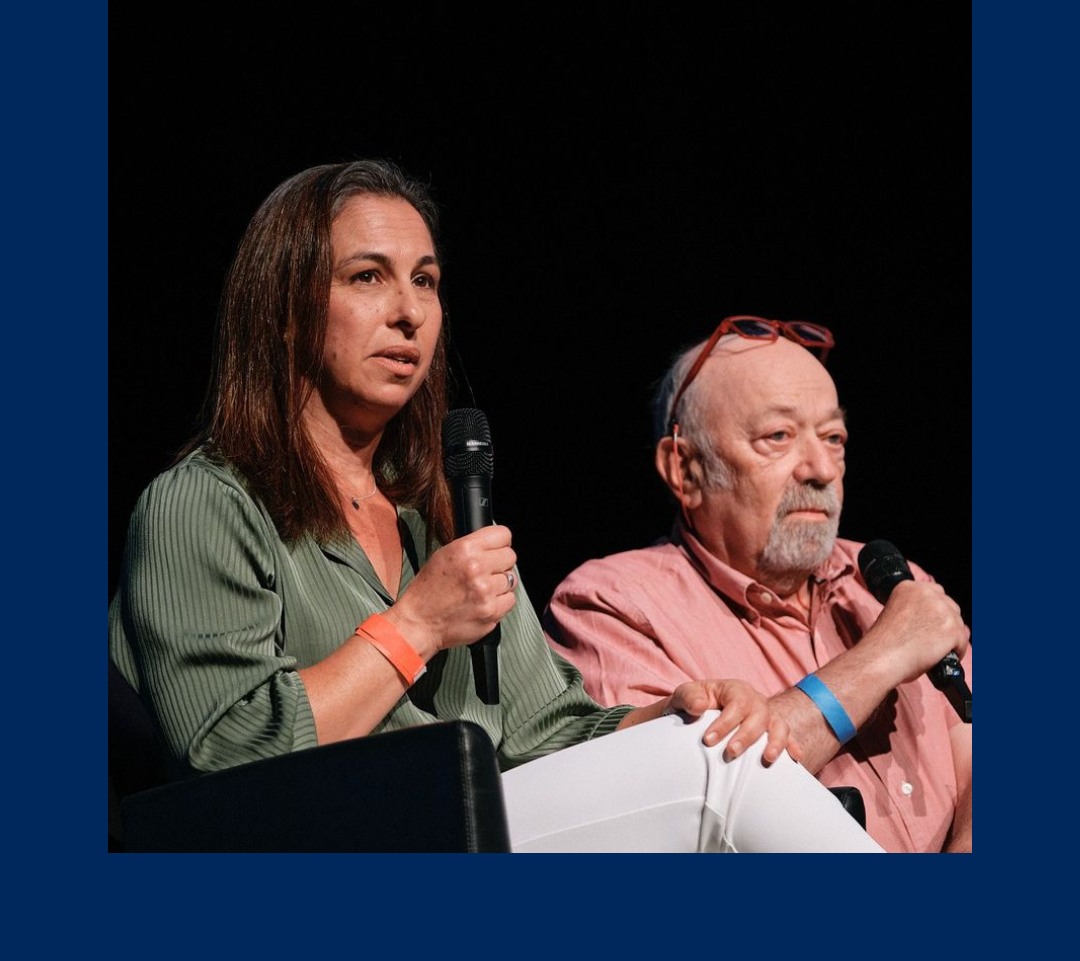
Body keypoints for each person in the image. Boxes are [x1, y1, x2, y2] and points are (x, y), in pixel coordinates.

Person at [109, 166, 882, 852]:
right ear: (283, 307)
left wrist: (671, 717)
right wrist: (416, 625)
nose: (409, 313)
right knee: (725, 776)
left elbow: (549, 730)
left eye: (426, 281)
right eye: (367, 277)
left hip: (470, 830)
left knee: (721, 747)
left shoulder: (438, 515)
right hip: (339, 847)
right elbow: (228, 751)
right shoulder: (201, 504)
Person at [544, 317, 972, 852]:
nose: (821, 469)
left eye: (833, 438)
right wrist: (883, 655)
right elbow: (696, 801)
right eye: (778, 437)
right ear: (685, 469)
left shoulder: (889, 581)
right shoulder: (610, 606)